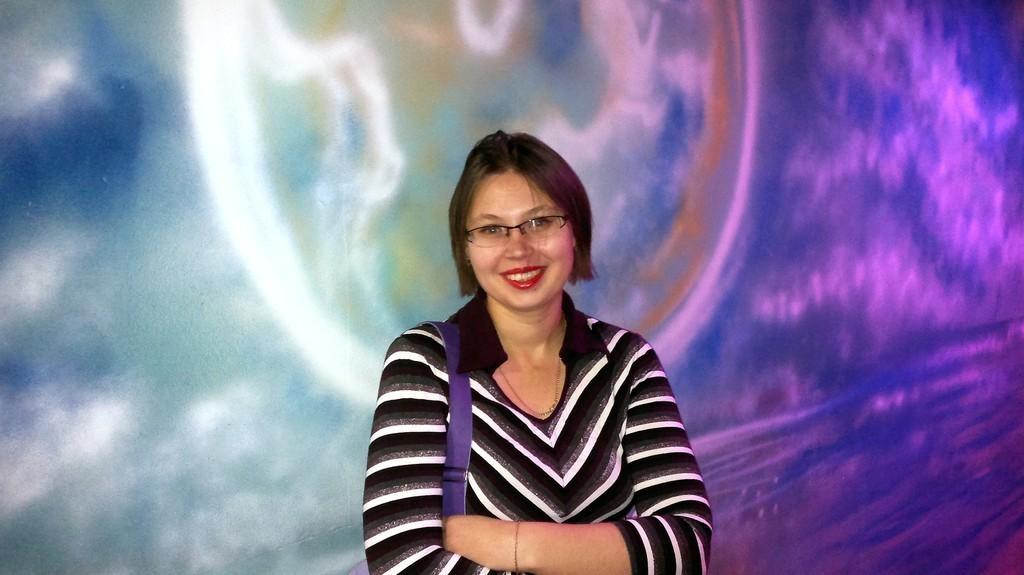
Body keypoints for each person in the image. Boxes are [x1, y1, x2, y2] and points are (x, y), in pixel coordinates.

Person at [361, 131, 712, 574]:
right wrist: (607, 556)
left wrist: (514, 544)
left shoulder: (627, 362)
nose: (519, 249)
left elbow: (688, 546)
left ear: (575, 232)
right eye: (491, 229)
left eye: (540, 222)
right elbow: (400, 562)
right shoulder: (423, 363)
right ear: (465, 249)